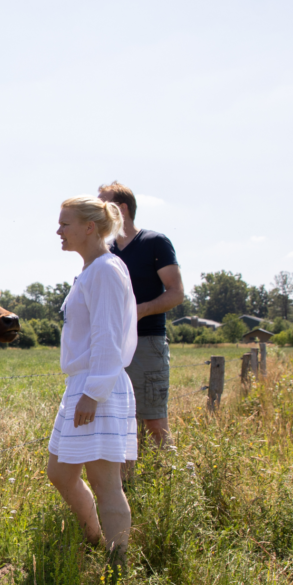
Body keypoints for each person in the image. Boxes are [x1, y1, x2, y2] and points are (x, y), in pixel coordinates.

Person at [47, 196, 138, 565]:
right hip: (83, 384)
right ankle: (95, 539)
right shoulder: (91, 271)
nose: (58, 231)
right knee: (59, 472)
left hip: (98, 385)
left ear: (89, 227)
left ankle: (117, 566)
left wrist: (94, 392)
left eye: (64, 224)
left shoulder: (105, 270)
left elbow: (107, 336)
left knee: (106, 483)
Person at [97, 183, 184, 449]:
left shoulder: (154, 242)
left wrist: (139, 311)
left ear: (121, 209)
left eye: (102, 205)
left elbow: (176, 293)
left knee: (154, 421)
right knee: (119, 421)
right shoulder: (105, 250)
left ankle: (170, 471)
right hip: (112, 346)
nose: (97, 211)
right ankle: (129, 476)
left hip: (146, 342)